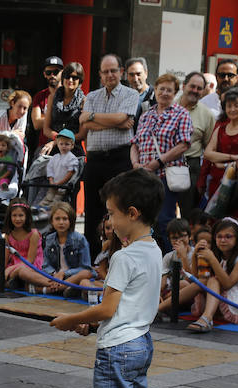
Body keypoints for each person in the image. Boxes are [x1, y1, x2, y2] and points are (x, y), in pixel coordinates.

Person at [51, 168, 165, 388]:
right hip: (140, 343)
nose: (109, 221)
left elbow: (108, 307)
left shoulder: (123, 257)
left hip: (117, 349)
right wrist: (94, 325)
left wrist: (71, 320)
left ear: (132, 214)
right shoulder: (153, 250)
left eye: (113, 213)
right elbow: (126, 308)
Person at [159, 218, 238, 332]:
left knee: (213, 280)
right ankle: (157, 309)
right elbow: (197, 279)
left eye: (228, 236)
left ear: (237, 239)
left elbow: (227, 284)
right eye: (219, 237)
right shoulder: (219, 255)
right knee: (205, 281)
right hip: (225, 298)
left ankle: (207, 318)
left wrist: (212, 259)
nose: (223, 240)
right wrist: (196, 254)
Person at [79, 54, 139, 257]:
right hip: (95, 159)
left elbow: (123, 117)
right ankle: (93, 259)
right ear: (100, 75)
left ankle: (120, 255)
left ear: (121, 71)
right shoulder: (92, 96)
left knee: (121, 209)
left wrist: (95, 117)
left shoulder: (131, 94)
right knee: (93, 211)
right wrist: (115, 122)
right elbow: (85, 124)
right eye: (105, 71)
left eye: (113, 70)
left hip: (120, 158)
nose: (110, 75)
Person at [130, 73, 193, 252]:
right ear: (155, 90)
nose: (164, 93)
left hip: (166, 175)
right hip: (144, 177)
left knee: (165, 219)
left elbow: (183, 145)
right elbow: (135, 143)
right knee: (145, 220)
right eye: (161, 89)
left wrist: (158, 162)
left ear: (175, 93)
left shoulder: (181, 113)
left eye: (169, 90)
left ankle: (169, 261)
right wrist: (135, 164)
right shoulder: (146, 115)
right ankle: (150, 258)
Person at [202, 87, 238, 214]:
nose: (232, 109)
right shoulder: (220, 129)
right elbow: (207, 153)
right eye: (229, 106)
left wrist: (221, 162)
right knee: (215, 220)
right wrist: (234, 157)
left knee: (237, 222)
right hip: (217, 182)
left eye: (236, 105)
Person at [177, 72, 215, 217]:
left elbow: (209, 147)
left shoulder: (207, 115)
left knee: (188, 213)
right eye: (192, 86)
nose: (195, 90)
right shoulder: (169, 105)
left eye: (199, 88)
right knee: (162, 212)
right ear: (183, 86)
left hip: (190, 167)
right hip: (164, 165)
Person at [37, 201, 94, 296]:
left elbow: (85, 267)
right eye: (57, 219)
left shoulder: (80, 239)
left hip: (72, 276)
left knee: (85, 274)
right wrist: (55, 274)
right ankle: (63, 288)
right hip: (55, 277)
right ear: (52, 221)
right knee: (32, 273)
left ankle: (53, 289)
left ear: (70, 221)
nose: (61, 222)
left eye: (65, 219)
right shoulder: (49, 239)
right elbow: (46, 265)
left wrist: (64, 273)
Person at [42, 62, 86, 156]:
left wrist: (61, 141)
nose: (70, 80)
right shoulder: (52, 97)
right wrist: (57, 140)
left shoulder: (84, 101)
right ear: (63, 78)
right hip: (52, 146)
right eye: (67, 76)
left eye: (75, 77)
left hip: (74, 147)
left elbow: (82, 134)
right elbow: (46, 129)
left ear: (80, 80)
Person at [31, 56, 64, 149]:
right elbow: (36, 124)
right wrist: (61, 117)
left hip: (66, 145)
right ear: (44, 74)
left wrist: (45, 117)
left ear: (62, 73)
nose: (52, 75)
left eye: (56, 72)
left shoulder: (69, 94)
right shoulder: (39, 96)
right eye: (49, 72)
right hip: (44, 146)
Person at [40, 128, 78, 206]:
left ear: (72, 145)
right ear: (57, 144)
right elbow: (50, 170)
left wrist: (59, 183)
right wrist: (51, 181)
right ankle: (40, 209)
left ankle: (48, 211)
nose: (64, 146)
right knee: (48, 198)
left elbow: (70, 173)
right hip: (53, 185)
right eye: (61, 144)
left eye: (67, 144)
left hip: (63, 187)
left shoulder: (72, 158)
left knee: (56, 201)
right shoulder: (55, 157)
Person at [125, 57, 156, 131]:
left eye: (138, 74)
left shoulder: (156, 96)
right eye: (131, 75)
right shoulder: (123, 96)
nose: (135, 79)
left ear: (146, 73)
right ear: (127, 76)